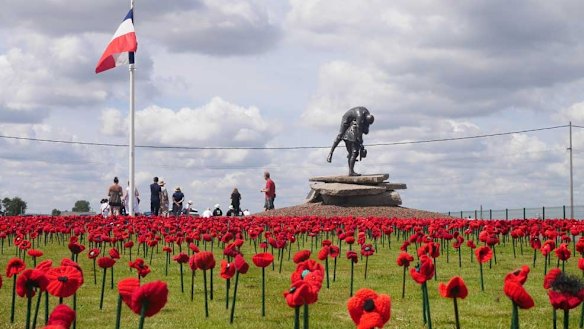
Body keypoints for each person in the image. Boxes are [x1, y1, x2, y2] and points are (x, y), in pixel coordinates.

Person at [326, 106, 374, 176]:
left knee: (352, 151)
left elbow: (365, 131)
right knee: (340, 135)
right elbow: (359, 129)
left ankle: (351, 159)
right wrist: (360, 143)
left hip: (353, 124)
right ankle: (330, 153)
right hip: (346, 119)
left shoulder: (367, 116)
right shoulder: (360, 116)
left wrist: (360, 142)